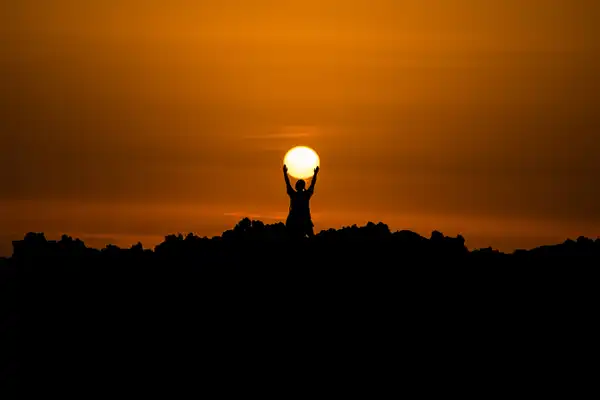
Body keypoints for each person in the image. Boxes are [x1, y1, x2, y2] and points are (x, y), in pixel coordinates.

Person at [283, 164, 319, 239]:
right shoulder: (303, 195)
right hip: (297, 221)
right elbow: (287, 183)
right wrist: (285, 173)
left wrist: (315, 174)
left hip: (302, 221)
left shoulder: (300, 195)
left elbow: (313, 184)